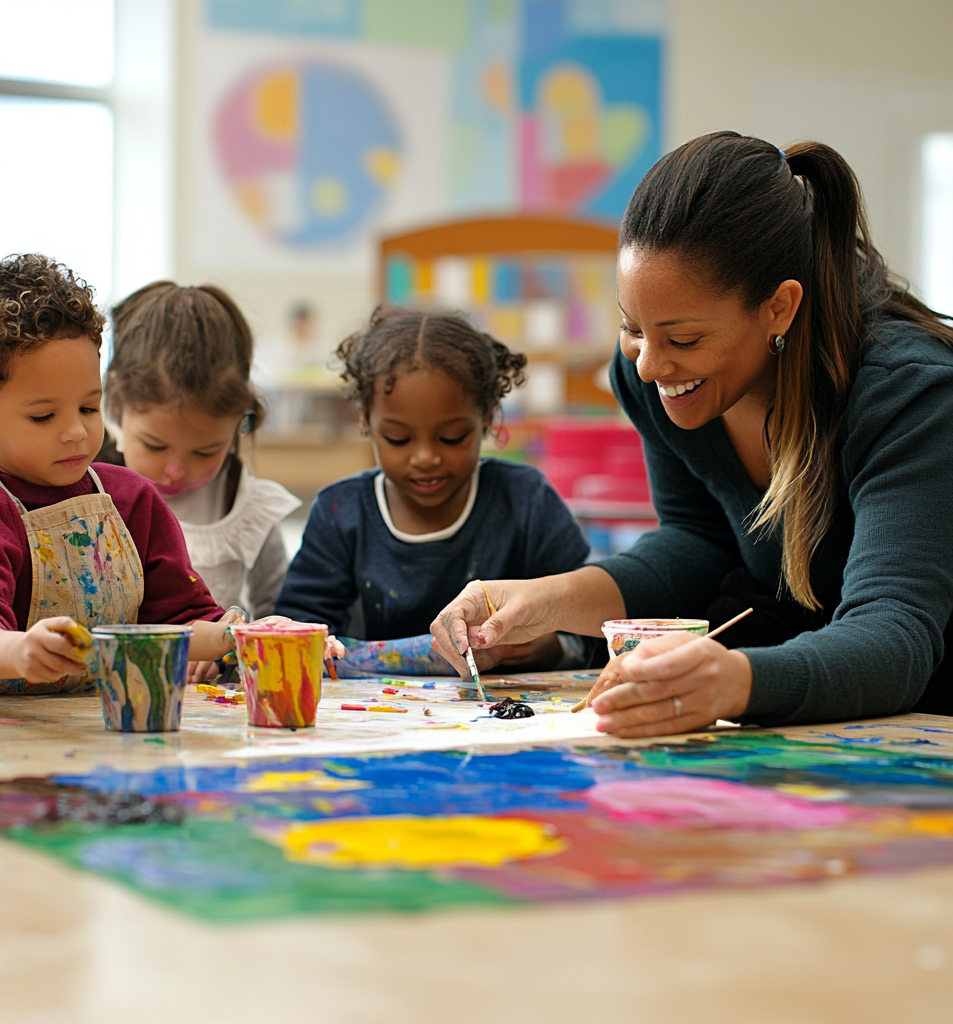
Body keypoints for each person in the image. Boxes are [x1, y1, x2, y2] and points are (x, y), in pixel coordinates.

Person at [431, 132, 953, 734]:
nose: (649, 366)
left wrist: (733, 682)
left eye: (683, 340)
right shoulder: (647, 378)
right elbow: (699, 545)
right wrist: (545, 602)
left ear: (779, 308)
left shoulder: (907, 394)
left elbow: (895, 634)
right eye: (633, 328)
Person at [0, 256, 237, 695]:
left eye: (88, 408)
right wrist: (18, 652)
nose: (76, 431)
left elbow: (180, 621)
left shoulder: (130, 499)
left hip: (96, 720)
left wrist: (239, 635)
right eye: (43, 416)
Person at [274, 306, 595, 672]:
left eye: (451, 437)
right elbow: (295, 630)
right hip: (372, 720)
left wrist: (551, 648)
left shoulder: (525, 501)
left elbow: (590, 621)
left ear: (487, 417)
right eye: (398, 438)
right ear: (365, 418)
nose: (425, 458)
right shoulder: (341, 512)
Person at [96, 282, 300, 619]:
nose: (175, 469)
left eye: (205, 451)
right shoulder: (87, 493)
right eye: (155, 445)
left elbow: (279, 610)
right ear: (116, 405)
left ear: (239, 423)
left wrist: (234, 633)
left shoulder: (245, 507)